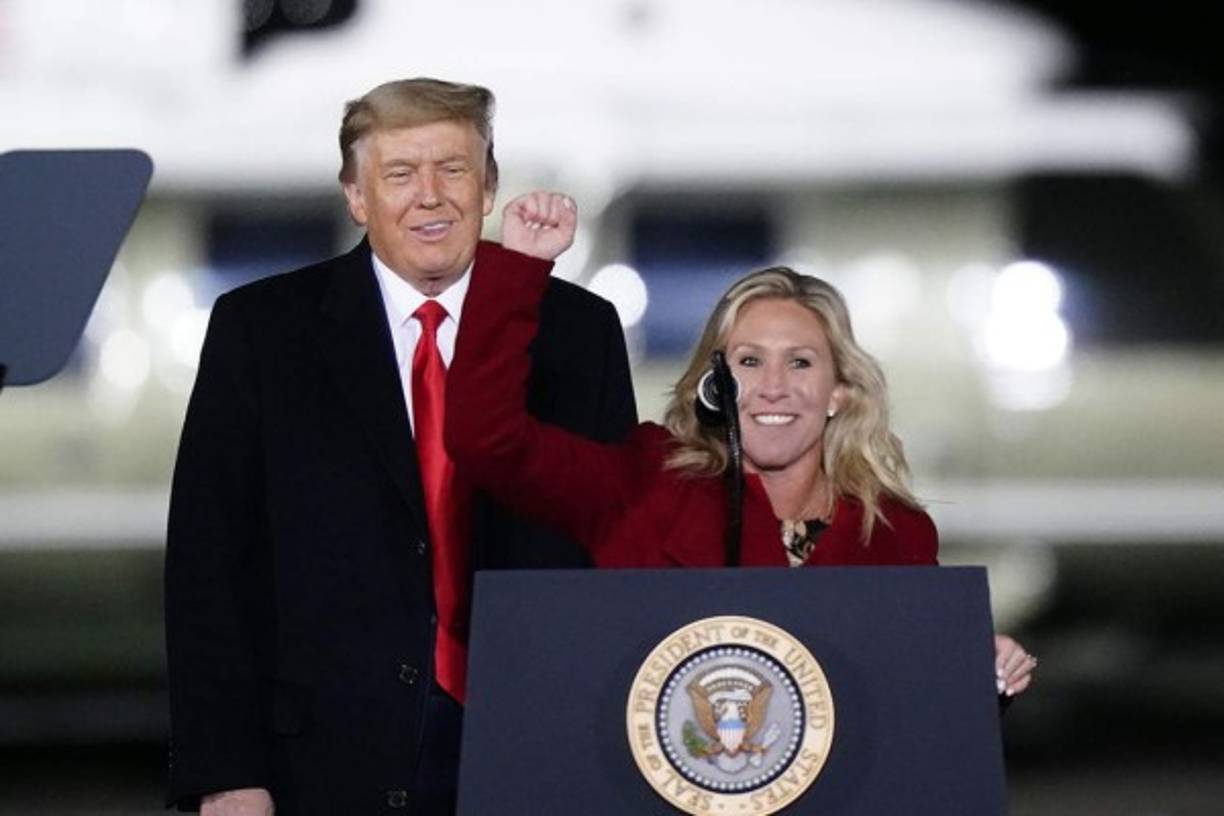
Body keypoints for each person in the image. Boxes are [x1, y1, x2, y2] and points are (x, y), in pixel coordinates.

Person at [164, 82, 636, 815]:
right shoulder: (260, 332)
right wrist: (225, 771)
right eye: (399, 174)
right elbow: (209, 566)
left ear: (489, 188)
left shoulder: (578, 331)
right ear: (356, 196)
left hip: (534, 744)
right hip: (322, 757)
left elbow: (614, 545)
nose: (431, 197)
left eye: (453, 169)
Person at [446, 192, 1037, 700]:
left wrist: (979, 670)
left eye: (800, 362)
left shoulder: (893, 533)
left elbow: (911, 708)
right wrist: (520, 269)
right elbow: (485, 440)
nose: (773, 387)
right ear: (712, 384)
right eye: (749, 361)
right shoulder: (641, 482)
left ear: (839, 392)